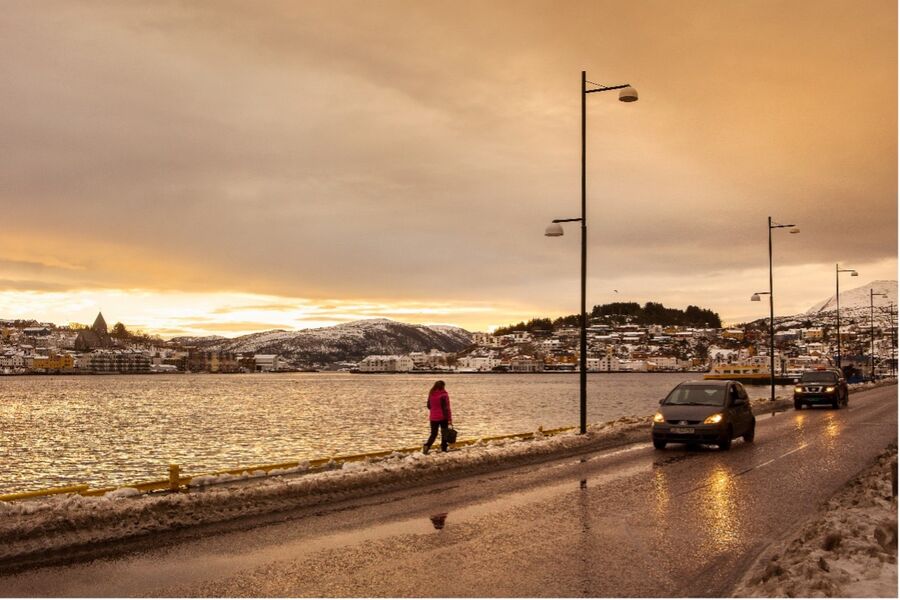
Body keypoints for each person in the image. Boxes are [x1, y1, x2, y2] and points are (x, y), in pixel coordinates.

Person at [423, 380, 452, 454]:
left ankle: (427, 446)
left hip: (433, 417)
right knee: (444, 433)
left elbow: (429, 406)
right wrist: (449, 419)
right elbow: (446, 408)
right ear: (443, 386)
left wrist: (435, 410)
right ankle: (444, 448)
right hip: (443, 417)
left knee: (433, 434)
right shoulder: (444, 395)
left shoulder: (431, 394)